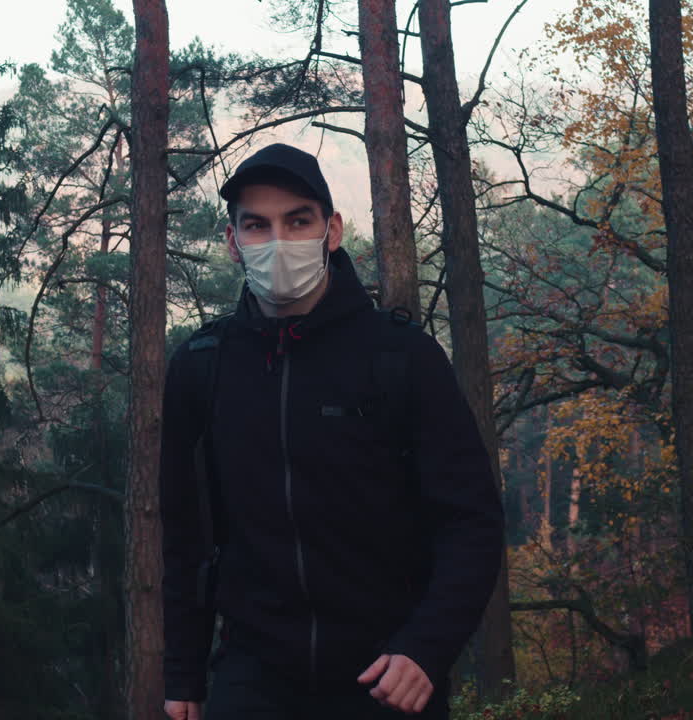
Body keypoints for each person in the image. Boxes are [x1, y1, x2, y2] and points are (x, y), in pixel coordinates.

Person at [160, 143, 504, 720]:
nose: (278, 242)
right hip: (252, 680)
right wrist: (184, 676)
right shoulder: (202, 366)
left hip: (385, 678)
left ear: (332, 230)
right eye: (256, 225)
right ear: (232, 241)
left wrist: (426, 648)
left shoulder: (401, 358)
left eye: (298, 220)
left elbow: (471, 520)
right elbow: (184, 539)